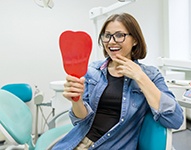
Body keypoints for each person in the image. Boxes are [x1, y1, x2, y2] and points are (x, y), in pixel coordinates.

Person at [52, 12, 184, 150]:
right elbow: (80, 120)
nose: (111, 41)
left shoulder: (150, 75)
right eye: (107, 35)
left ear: (135, 40)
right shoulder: (93, 71)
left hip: (113, 145)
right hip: (77, 142)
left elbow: (175, 119)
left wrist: (140, 76)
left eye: (120, 35)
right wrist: (76, 100)